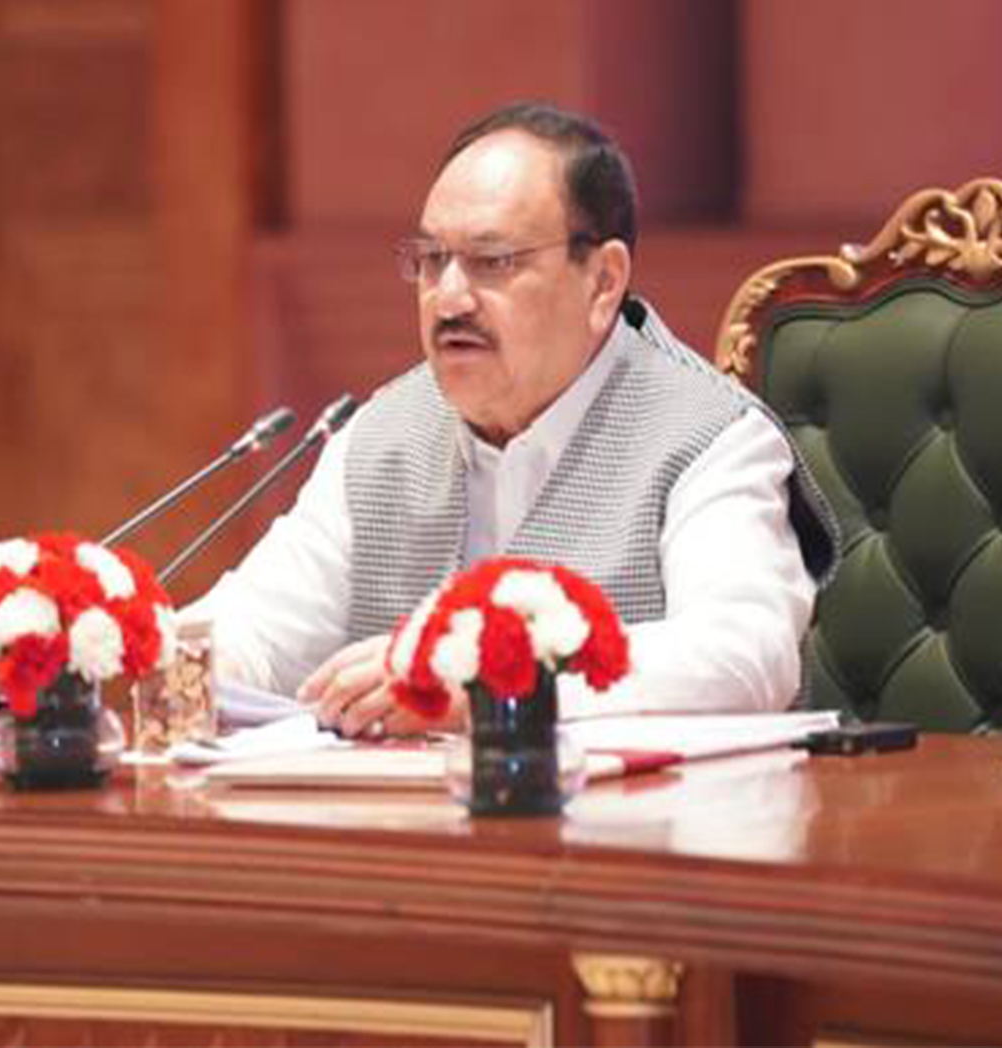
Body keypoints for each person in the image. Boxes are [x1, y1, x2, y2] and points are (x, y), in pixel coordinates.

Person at [194, 102, 837, 737]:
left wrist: (492, 684)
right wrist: (168, 661)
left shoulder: (710, 437)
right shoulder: (380, 437)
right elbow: (258, 627)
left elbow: (744, 658)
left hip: (640, 806)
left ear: (603, 282)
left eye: (493, 261)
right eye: (432, 259)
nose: (448, 297)